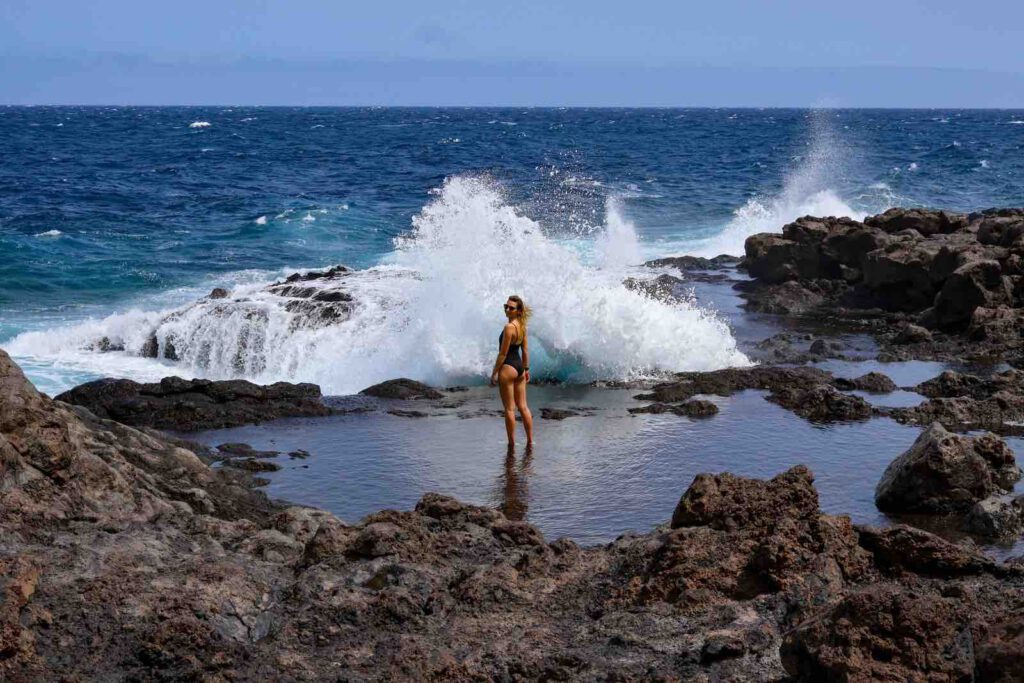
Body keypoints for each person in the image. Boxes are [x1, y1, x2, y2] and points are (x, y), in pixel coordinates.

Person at [490, 295, 534, 446]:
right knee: (523, 406)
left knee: (509, 409)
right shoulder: (522, 326)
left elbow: (503, 354)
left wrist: (494, 373)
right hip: (520, 368)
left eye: (511, 308)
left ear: (518, 310)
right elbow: (525, 350)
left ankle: (511, 444)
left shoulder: (509, 328)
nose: (507, 310)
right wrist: (526, 369)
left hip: (508, 368)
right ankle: (530, 441)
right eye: (506, 307)